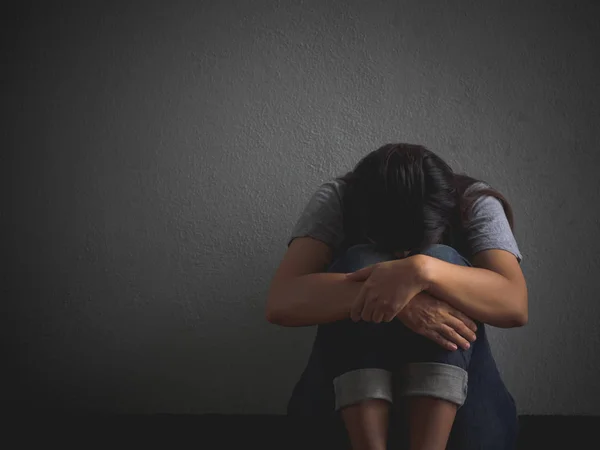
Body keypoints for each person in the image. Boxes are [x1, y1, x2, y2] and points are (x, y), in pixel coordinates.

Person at [266, 143, 528, 450]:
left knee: (444, 259)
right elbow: (281, 301)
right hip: (338, 422)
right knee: (362, 261)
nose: (403, 253)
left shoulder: (471, 202)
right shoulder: (341, 198)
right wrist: (398, 297)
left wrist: (423, 270)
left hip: (466, 424)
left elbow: (515, 304)